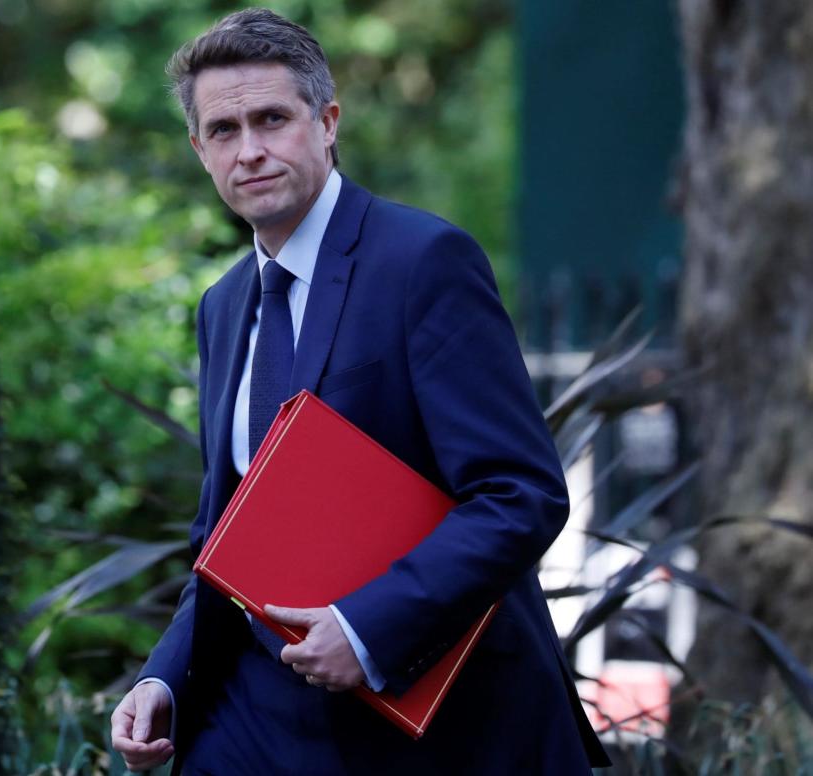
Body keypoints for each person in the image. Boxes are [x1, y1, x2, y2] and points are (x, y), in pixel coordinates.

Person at [110, 8, 611, 774]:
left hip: (425, 716)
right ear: (199, 149)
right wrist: (163, 678)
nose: (250, 150)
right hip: (255, 715)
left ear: (328, 121)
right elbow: (225, 536)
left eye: (273, 119)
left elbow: (521, 493)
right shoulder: (221, 305)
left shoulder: (424, 262)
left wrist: (368, 628)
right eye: (224, 130)